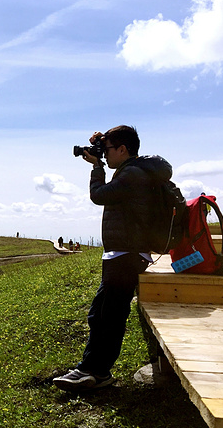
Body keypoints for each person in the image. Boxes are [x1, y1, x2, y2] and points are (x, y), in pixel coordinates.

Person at [53, 125, 173, 392]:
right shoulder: (133, 171)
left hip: (127, 254)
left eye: (108, 150)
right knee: (101, 313)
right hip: (123, 253)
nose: (104, 154)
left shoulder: (133, 174)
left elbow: (99, 195)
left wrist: (97, 168)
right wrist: (102, 146)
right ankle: (91, 369)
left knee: (109, 315)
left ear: (123, 149)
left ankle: (96, 372)